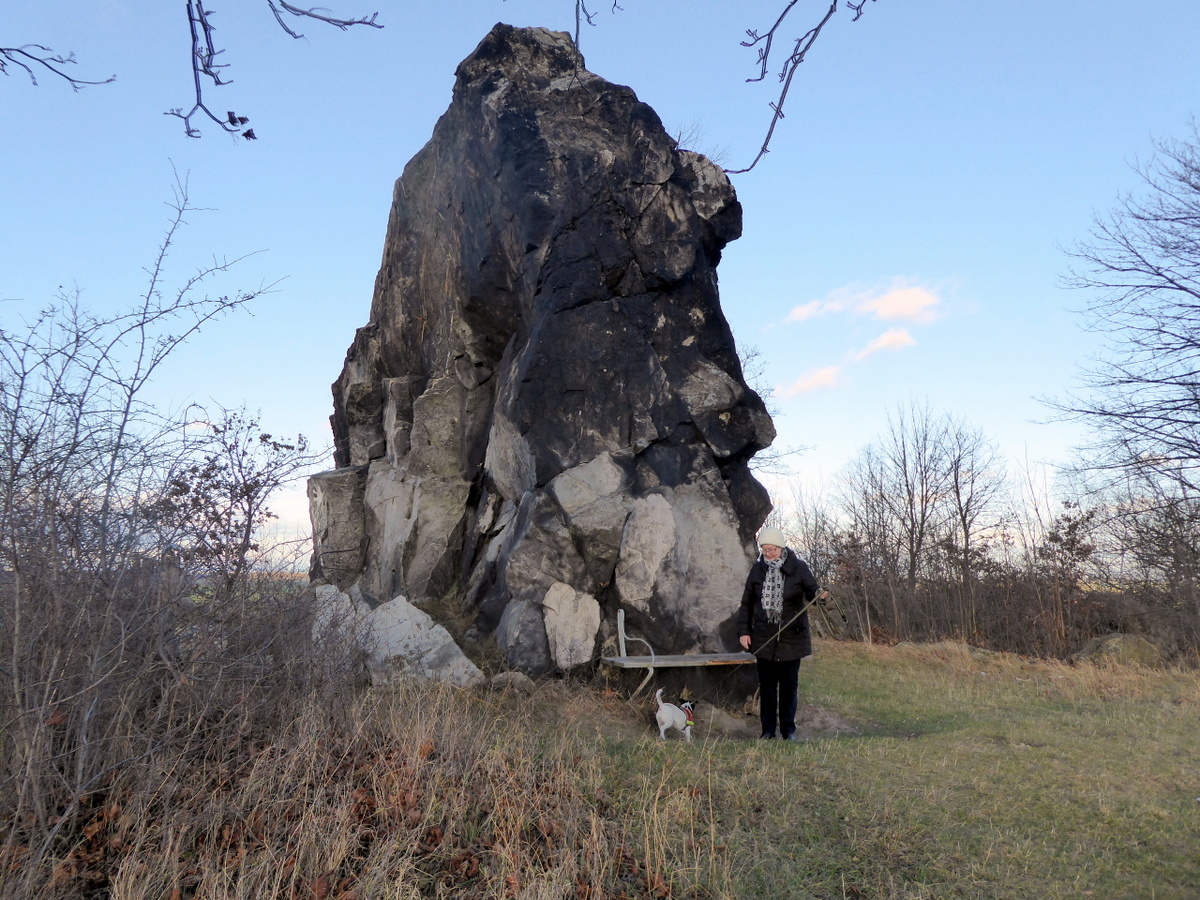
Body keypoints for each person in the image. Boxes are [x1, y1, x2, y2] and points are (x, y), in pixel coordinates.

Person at [737, 526, 827, 741]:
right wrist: (744, 631)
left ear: (781, 547)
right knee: (767, 687)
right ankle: (767, 731)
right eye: (765, 550)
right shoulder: (757, 570)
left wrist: (820, 596)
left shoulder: (799, 568)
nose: (768, 554)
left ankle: (788, 730)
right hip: (763, 637)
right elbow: (747, 603)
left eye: (772, 550)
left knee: (789, 687)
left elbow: (812, 592)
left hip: (791, 638)